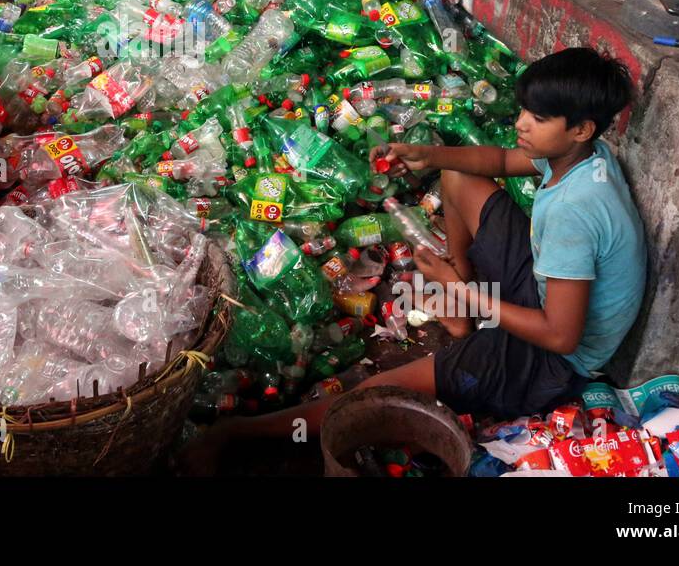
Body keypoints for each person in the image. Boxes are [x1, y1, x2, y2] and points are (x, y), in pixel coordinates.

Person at [180, 47, 646, 473]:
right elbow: (501, 162)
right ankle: (463, 316)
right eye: (523, 109)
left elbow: (561, 336)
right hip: (547, 290)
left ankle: (239, 432)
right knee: (457, 174)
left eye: (538, 117)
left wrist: (459, 288)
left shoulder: (574, 212)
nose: (522, 123)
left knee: (378, 391)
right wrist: (426, 155)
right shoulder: (582, 154)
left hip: (552, 360)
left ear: (580, 129)